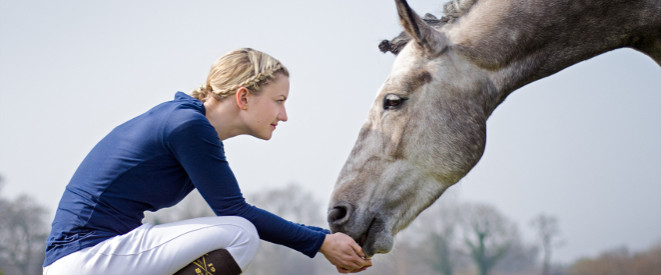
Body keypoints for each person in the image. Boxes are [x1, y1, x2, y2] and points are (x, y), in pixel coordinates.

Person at [43, 48, 372, 274]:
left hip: (89, 257)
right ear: (243, 97)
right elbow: (236, 211)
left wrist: (322, 240)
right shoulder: (189, 126)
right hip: (88, 257)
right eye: (279, 101)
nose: (284, 115)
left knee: (235, 231)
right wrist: (322, 242)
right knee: (240, 232)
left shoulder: (185, 121)